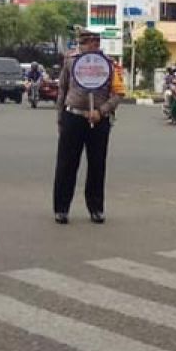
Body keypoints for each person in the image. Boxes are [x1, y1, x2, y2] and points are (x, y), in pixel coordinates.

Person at [53, 28, 123, 224]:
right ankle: (61, 208)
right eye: (87, 42)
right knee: (66, 164)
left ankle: (96, 208)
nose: (92, 45)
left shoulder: (109, 64)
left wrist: (101, 111)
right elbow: (62, 90)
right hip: (73, 116)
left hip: (99, 120)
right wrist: (60, 118)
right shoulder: (70, 61)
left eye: (95, 42)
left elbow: (118, 94)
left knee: (97, 165)